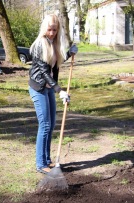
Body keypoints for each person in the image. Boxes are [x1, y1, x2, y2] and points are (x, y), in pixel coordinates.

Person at [28, 14, 78, 174]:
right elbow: (44, 72)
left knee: (51, 125)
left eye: (54, 30)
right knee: (45, 125)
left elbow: (56, 62)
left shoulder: (53, 43)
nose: (51, 33)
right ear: (44, 28)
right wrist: (60, 90)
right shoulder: (39, 45)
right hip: (39, 87)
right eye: (49, 29)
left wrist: (70, 53)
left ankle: (47, 160)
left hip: (49, 87)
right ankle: (40, 163)